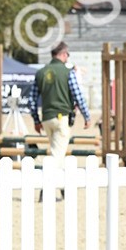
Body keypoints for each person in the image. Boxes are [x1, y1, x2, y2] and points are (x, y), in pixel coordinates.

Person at [29, 42, 91, 190]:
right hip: (61, 117)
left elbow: (32, 100)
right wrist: (86, 116)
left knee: (57, 151)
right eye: (67, 55)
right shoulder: (67, 72)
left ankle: (62, 188)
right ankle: (46, 188)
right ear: (63, 54)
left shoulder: (41, 72)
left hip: (46, 118)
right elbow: (78, 95)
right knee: (57, 155)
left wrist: (36, 121)